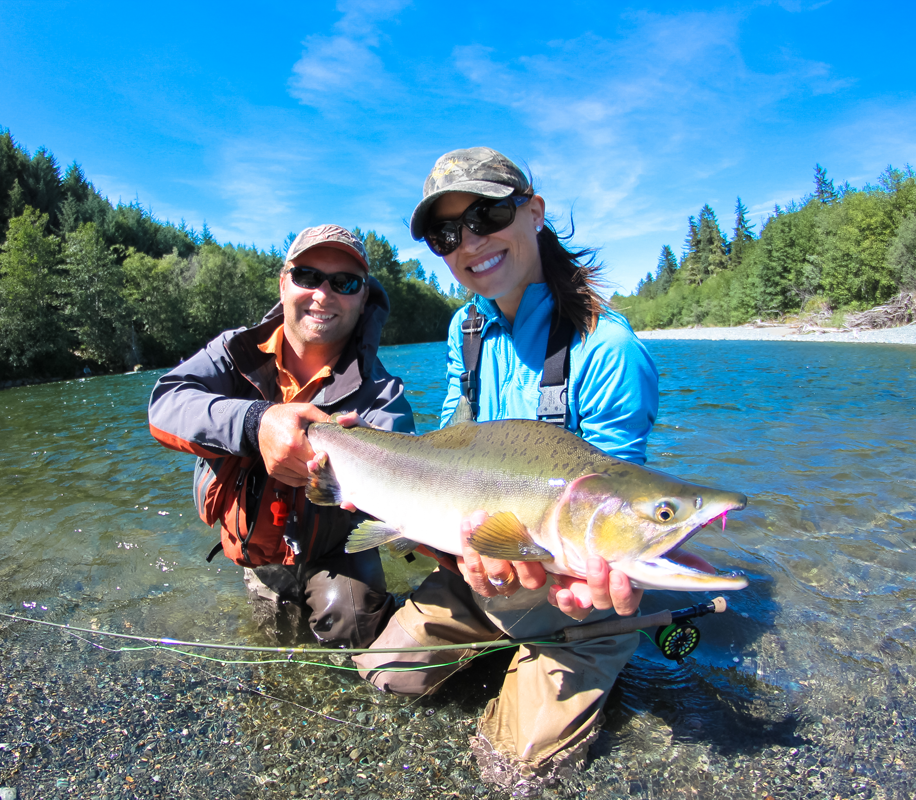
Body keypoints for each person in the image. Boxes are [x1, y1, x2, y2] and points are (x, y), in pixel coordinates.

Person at [353, 147, 683, 794]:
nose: (470, 242)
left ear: (533, 211)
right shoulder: (464, 329)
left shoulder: (607, 348)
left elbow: (620, 509)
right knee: (384, 673)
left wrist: (599, 580)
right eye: (448, 234)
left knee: (515, 773)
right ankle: (505, 651)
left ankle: (584, 663)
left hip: (571, 602)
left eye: (487, 214)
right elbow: (451, 446)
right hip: (483, 573)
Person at [147, 224, 415, 648]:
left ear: (363, 298)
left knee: (356, 628)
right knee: (269, 636)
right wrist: (256, 422)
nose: (322, 295)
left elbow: (412, 482)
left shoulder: (382, 393)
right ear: (284, 282)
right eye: (308, 276)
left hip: (337, 548)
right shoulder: (232, 353)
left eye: (344, 283)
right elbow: (165, 405)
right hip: (260, 551)